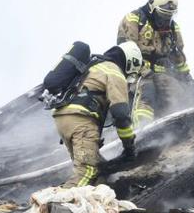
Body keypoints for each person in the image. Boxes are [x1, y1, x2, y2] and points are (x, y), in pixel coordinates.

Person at [53, 41, 143, 188]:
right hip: (81, 119)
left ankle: (89, 207)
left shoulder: (95, 66)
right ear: (130, 63)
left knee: (98, 172)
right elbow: (120, 114)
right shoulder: (115, 71)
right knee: (88, 172)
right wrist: (129, 147)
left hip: (65, 118)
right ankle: (55, 204)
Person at [116, 0, 192, 127]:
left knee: (179, 91)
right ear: (152, 7)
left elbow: (178, 57)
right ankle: (142, 127)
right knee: (148, 90)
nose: (165, 20)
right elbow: (125, 52)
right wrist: (145, 71)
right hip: (134, 73)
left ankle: (174, 127)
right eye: (163, 15)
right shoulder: (134, 20)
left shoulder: (173, 28)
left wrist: (187, 79)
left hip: (160, 74)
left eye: (169, 16)